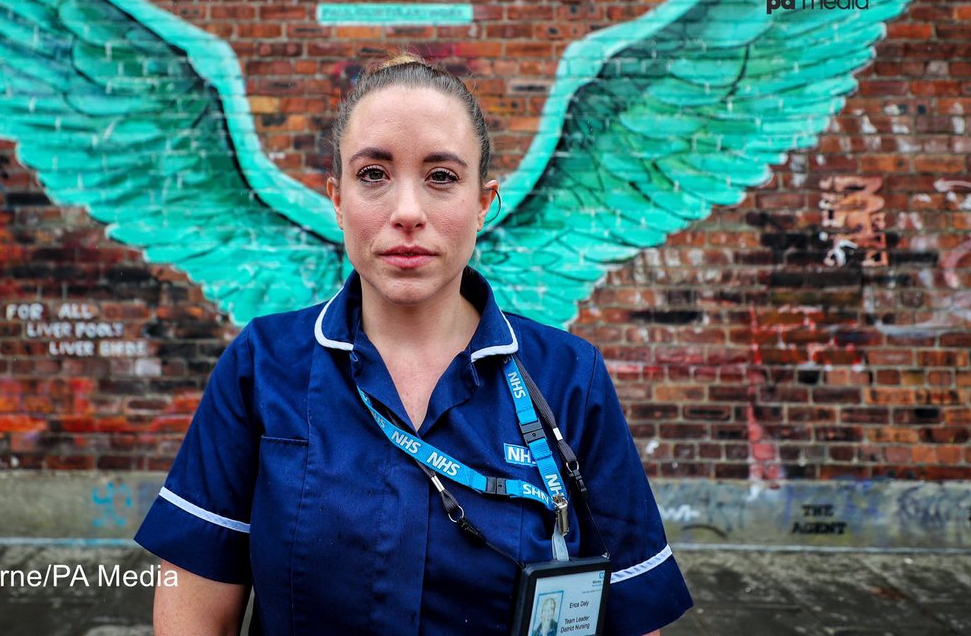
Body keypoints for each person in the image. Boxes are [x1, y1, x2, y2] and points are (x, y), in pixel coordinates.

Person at [134, 53, 693, 635]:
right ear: (337, 197)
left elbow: (632, 618)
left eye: (442, 177)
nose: (407, 212)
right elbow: (194, 613)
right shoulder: (262, 366)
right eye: (373, 174)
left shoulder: (570, 379)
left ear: (483, 203)